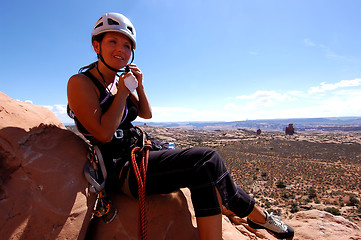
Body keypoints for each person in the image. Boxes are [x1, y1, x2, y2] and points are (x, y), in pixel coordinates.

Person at [67, 12, 294, 240]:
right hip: (122, 169)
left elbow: (145, 113)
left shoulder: (118, 82)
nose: (121, 50)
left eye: (127, 45)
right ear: (96, 46)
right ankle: (256, 214)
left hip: (140, 152)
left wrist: (139, 87)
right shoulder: (81, 83)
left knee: (203, 171)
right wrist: (124, 92)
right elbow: (104, 134)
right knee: (207, 159)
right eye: (112, 42)